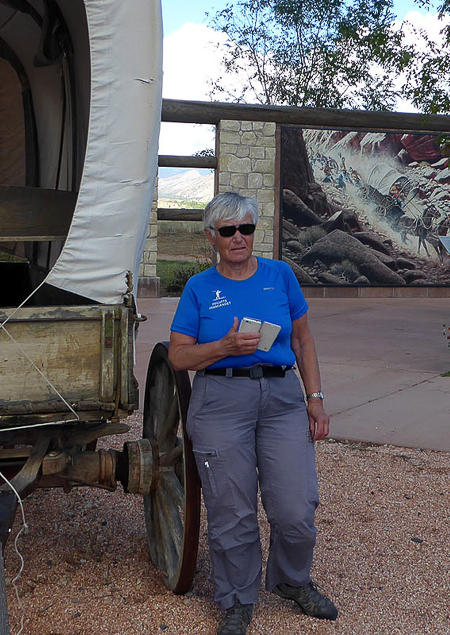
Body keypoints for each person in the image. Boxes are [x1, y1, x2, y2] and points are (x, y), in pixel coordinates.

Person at [168, 191, 339, 635]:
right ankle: (237, 600)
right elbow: (178, 358)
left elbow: (302, 340)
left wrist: (314, 396)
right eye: (228, 230)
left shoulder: (281, 276)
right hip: (221, 402)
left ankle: (289, 581)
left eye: (246, 228)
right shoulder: (199, 288)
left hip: (282, 400)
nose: (239, 237)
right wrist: (222, 347)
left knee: (296, 509)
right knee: (232, 510)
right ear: (212, 236)